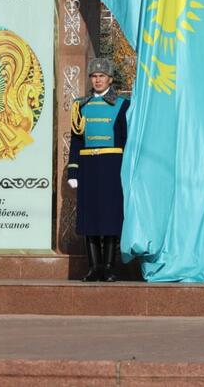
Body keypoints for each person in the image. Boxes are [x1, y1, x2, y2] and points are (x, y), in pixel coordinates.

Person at [67, 58, 130, 282]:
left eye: (102, 76)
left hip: (112, 165)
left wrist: (127, 170)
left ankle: (110, 268)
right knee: (90, 217)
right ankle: (94, 267)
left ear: (110, 79)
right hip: (88, 166)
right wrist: (73, 171)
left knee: (111, 217)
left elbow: (125, 140)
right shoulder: (80, 106)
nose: (98, 80)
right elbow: (76, 140)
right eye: (94, 76)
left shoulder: (122, 105)